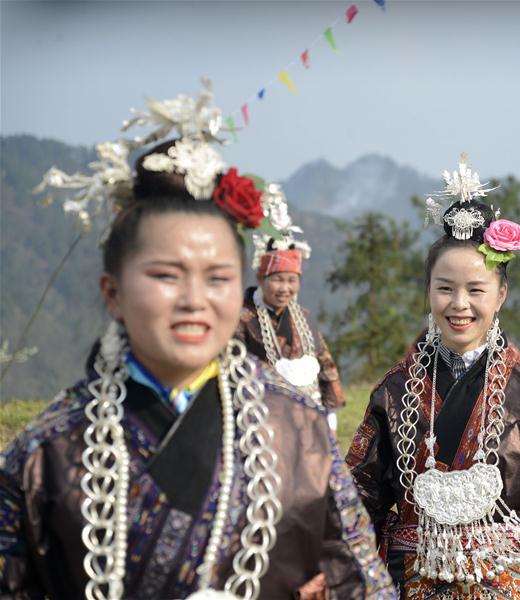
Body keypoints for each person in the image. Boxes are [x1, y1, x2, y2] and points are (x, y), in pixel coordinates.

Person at [0, 86, 393, 599]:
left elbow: (364, 584)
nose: (194, 299)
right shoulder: (45, 454)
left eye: (217, 278)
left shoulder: (299, 429)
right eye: (166, 275)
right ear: (113, 293)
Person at [346, 159, 520, 599]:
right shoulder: (394, 393)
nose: (459, 305)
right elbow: (358, 494)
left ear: (501, 294)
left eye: (476, 290)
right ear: (427, 290)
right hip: (416, 582)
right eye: (444, 288)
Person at [236, 190, 345, 430]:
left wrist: (331, 405)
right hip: (262, 416)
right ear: (261, 277)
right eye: (278, 279)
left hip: (311, 413)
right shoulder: (242, 319)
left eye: (292, 280)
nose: (285, 288)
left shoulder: (303, 316)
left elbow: (324, 360)